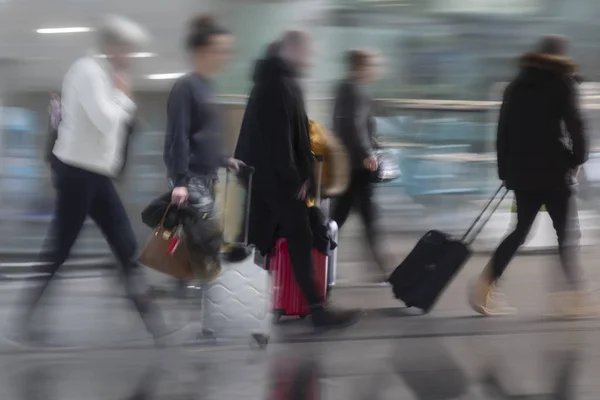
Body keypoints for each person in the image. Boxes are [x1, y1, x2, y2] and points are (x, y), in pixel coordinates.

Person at [13, 15, 167, 344]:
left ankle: (156, 327)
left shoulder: (103, 75)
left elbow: (108, 125)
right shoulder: (88, 71)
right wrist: (123, 98)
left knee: (125, 244)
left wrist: (120, 104)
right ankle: (25, 315)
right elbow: (102, 119)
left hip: (95, 174)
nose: (131, 57)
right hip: (78, 172)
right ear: (112, 47)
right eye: (128, 50)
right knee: (60, 248)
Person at [234, 31, 362, 330]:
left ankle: (293, 304)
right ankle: (316, 311)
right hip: (273, 178)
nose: (311, 58)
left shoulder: (281, 82)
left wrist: (303, 174)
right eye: (307, 52)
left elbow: (296, 135)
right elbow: (279, 141)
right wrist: (296, 180)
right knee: (296, 235)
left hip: (273, 177)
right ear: (291, 51)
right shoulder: (275, 85)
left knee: (273, 233)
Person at [469, 35, 593, 317]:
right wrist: (577, 159)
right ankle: (573, 295)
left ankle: (484, 285)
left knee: (520, 231)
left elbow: (502, 133)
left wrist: (505, 172)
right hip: (554, 172)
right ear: (560, 55)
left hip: (522, 174)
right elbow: (577, 126)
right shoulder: (562, 82)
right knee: (566, 234)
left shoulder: (516, 86)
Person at [331, 49, 388, 282]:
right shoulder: (357, 91)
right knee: (365, 216)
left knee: (342, 217)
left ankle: (377, 266)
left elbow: (350, 126)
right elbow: (355, 126)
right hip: (358, 165)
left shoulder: (345, 87)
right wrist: (368, 153)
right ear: (361, 67)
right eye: (373, 65)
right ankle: (380, 267)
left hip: (348, 162)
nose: (376, 70)